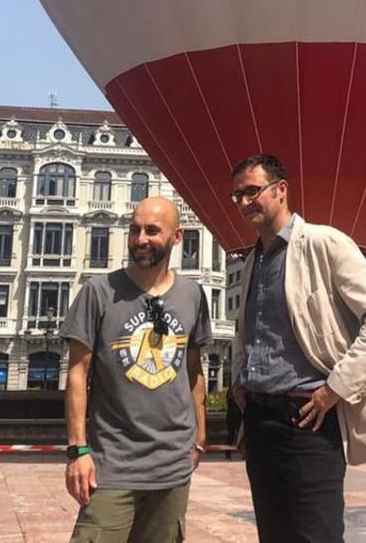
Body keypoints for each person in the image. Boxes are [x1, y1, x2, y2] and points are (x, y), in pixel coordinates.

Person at [226, 154, 366, 542]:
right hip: (259, 421)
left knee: (316, 535)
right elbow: (247, 330)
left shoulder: (326, 243)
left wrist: (336, 387)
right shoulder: (252, 259)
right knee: (274, 535)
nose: (244, 202)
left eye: (252, 191)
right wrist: (239, 377)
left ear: (281, 190)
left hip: (308, 420)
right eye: (237, 195)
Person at [61, 197, 212, 542]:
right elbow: (77, 375)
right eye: (134, 229)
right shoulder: (99, 291)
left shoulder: (192, 295)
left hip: (172, 468)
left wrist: (200, 435)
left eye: (152, 231)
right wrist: (78, 450)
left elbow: (193, 369)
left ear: (177, 238)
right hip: (111, 465)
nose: (140, 239)